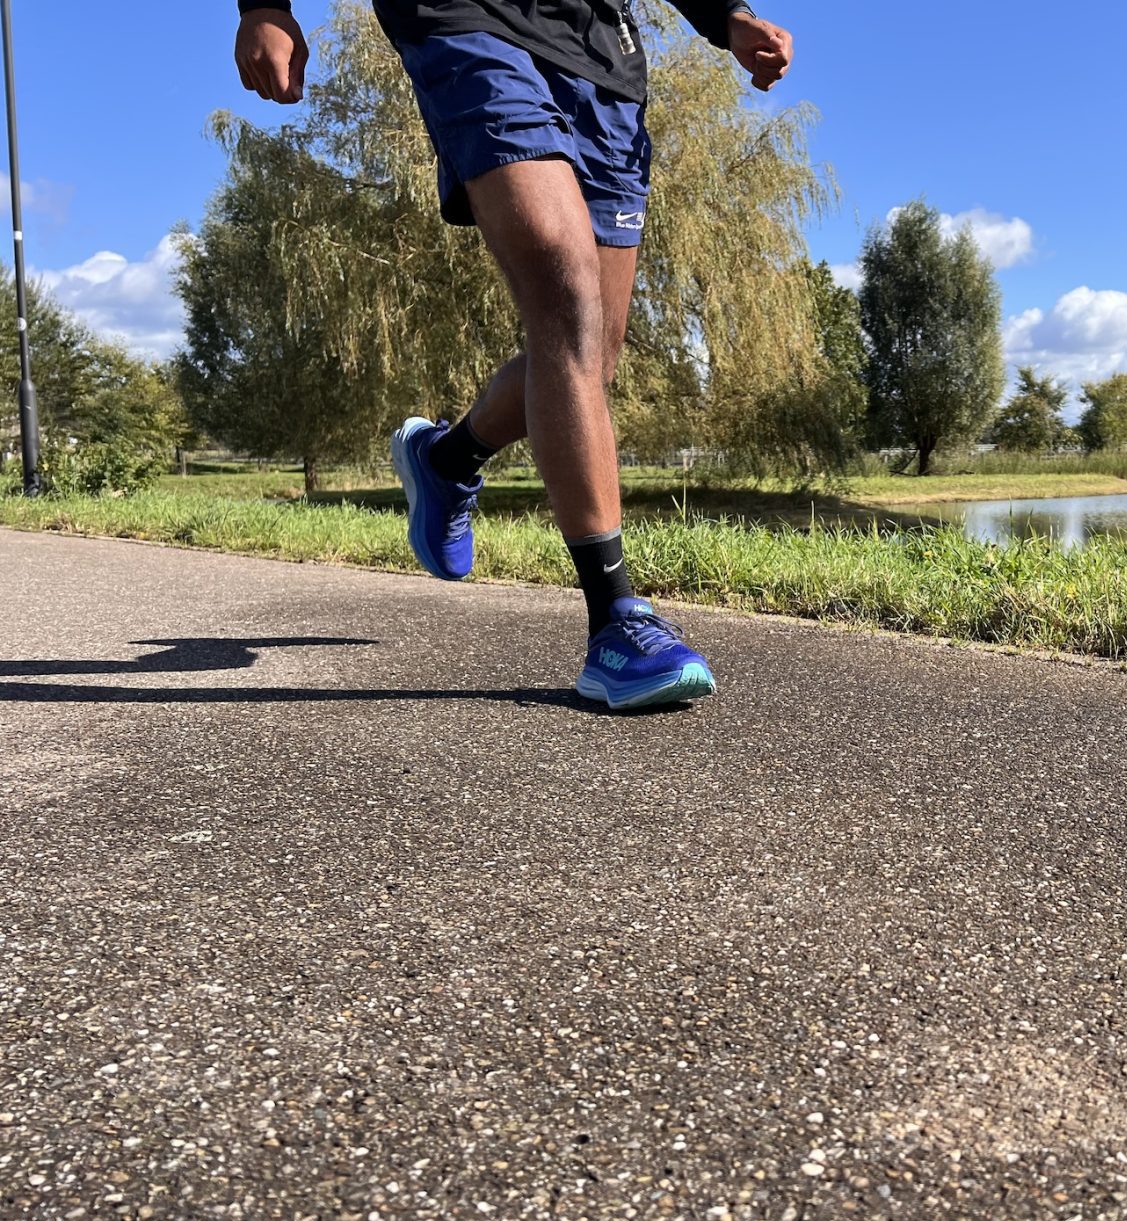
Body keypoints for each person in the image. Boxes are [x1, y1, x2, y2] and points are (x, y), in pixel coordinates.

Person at [231, 0, 793, 709]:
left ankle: (448, 458)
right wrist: (264, 6)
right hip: (463, 20)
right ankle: (616, 620)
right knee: (564, 298)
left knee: (591, 358)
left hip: (600, 57)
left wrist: (728, 16)